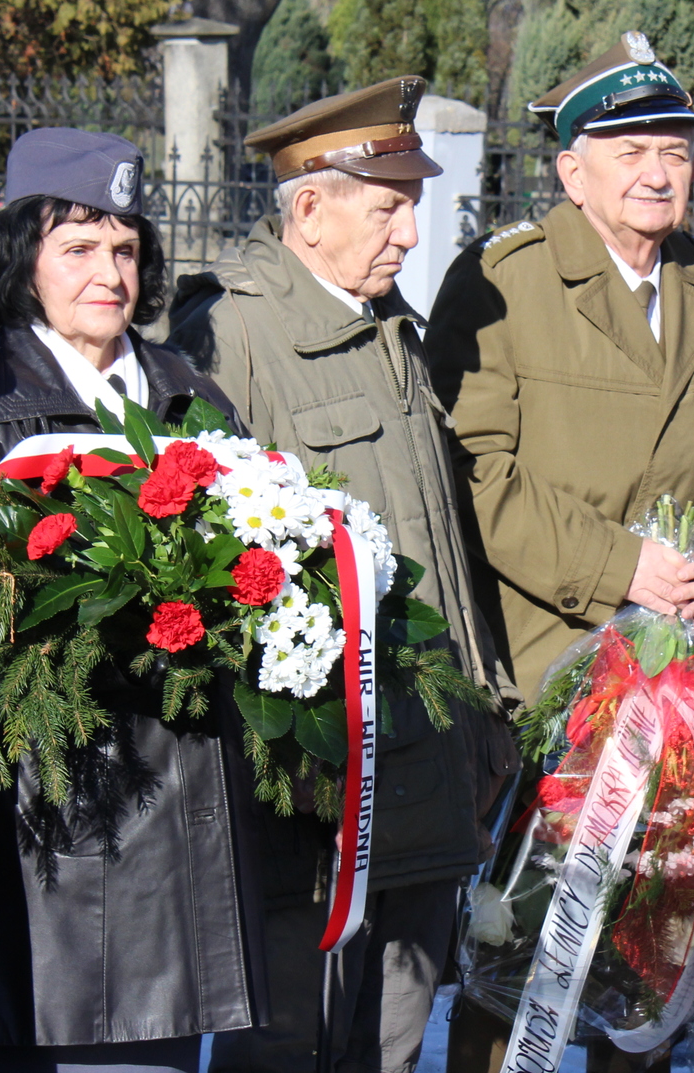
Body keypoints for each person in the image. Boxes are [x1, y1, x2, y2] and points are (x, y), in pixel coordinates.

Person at [425, 32, 694, 1073]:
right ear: (573, 172)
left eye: (677, 146)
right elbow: (475, 480)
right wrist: (622, 567)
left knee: (647, 962)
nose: (661, 168)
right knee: (513, 960)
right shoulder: (503, 285)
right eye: (631, 150)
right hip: (546, 685)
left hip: (677, 698)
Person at [167, 77, 517, 1073]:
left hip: (427, 766)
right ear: (310, 208)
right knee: (287, 1048)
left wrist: (485, 700)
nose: (411, 230)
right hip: (316, 797)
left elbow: (437, 536)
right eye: (390, 204)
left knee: (391, 1045)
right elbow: (207, 567)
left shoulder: (391, 326)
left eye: (413, 202)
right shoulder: (232, 333)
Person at [0, 128, 260, 1073]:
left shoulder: (190, 395)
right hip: (56, 806)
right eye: (77, 248)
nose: (108, 273)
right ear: (22, 257)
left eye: (124, 248)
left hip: (186, 803)